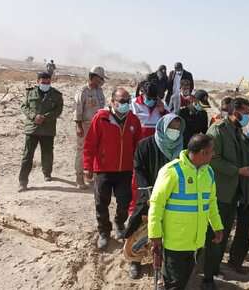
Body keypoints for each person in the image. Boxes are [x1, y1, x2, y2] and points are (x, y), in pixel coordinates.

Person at [148, 134, 224, 290]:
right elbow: (156, 204)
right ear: (202, 152)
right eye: (211, 151)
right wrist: (155, 235)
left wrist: (217, 226)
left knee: (185, 281)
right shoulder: (172, 171)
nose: (213, 154)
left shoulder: (208, 172)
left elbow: (211, 202)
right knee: (174, 284)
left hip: (196, 242)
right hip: (174, 243)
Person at [202, 98, 249, 289]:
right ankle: (207, 277)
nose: (248, 116)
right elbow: (211, 159)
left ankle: (214, 268)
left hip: (235, 192)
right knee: (215, 235)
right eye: (245, 111)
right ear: (235, 111)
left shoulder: (236, 131)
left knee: (224, 233)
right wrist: (237, 171)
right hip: (219, 192)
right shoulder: (218, 130)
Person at [124, 114, 185, 279]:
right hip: (148, 194)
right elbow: (139, 167)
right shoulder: (146, 145)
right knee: (140, 229)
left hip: (173, 196)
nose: (175, 131)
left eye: (178, 128)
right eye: (172, 127)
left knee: (167, 230)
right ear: (163, 126)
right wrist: (148, 190)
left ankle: (163, 262)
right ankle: (135, 261)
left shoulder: (181, 148)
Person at [84, 88, 143, 249]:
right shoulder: (101, 118)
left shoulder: (133, 120)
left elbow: (139, 145)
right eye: (122, 101)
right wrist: (87, 167)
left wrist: (139, 166)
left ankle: (119, 222)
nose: (125, 104)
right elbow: (90, 144)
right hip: (103, 169)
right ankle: (104, 232)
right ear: (113, 101)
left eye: (127, 101)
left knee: (124, 202)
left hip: (125, 169)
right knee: (101, 203)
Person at [18, 71, 63, 191]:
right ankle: (23, 181)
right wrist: (34, 116)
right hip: (32, 129)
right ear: (38, 82)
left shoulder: (56, 95)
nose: (45, 84)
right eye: (43, 82)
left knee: (47, 153)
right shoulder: (30, 92)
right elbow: (24, 107)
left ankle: (47, 173)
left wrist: (45, 117)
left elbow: (58, 110)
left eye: (48, 82)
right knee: (27, 155)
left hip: (48, 129)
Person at [73, 66, 107, 188]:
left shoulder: (99, 91)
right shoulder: (83, 91)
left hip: (98, 125)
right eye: (99, 78)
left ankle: (89, 176)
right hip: (85, 124)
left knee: (96, 150)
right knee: (82, 150)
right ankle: (79, 177)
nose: (101, 81)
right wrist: (78, 126)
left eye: (102, 79)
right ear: (92, 77)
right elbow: (78, 109)